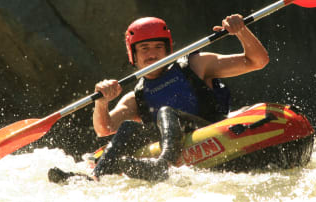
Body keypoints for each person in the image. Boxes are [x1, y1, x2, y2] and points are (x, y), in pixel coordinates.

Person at [86, 14, 269, 182]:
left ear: (168, 49)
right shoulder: (136, 97)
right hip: (171, 144)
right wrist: (101, 102)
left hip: (207, 130)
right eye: (144, 48)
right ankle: (96, 178)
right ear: (133, 54)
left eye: (159, 46)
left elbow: (257, 61)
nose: (152, 54)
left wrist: (241, 31)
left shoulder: (196, 65)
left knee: (166, 112)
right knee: (128, 127)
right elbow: (104, 128)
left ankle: (163, 165)